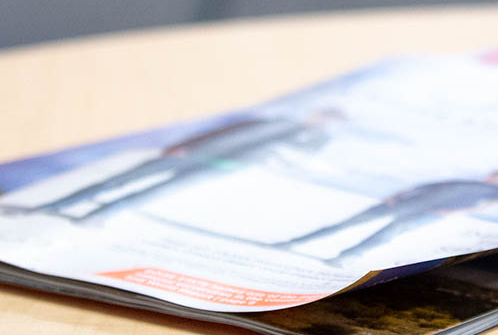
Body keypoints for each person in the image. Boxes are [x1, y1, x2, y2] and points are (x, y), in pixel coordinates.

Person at [31, 109, 342, 222]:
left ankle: (97, 216)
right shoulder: (274, 120)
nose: (321, 121)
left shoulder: (314, 141)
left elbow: (297, 162)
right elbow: (222, 133)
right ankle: (58, 205)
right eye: (323, 116)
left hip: (224, 167)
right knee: (122, 180)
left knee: (153, 194)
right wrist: (184, 145)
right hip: (195, 154)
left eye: (329, 121)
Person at [275, 169, 498, 264]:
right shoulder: (462, 179)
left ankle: (344, 258)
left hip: (430, 213)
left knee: (384, 236)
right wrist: (396, 194)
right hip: (406, 203)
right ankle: (293, 243)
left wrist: (450, 212)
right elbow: (426, 184)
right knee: (346, 224)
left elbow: (485, 207)